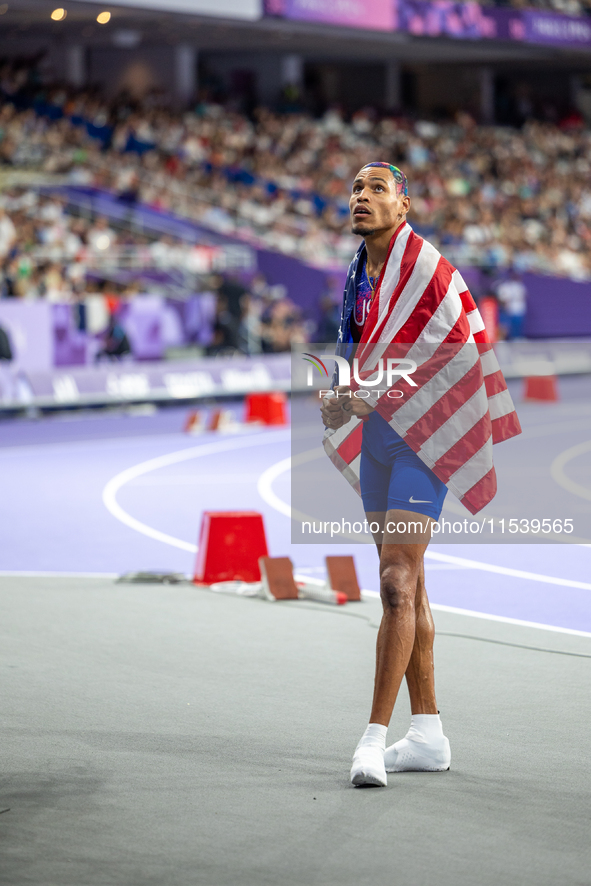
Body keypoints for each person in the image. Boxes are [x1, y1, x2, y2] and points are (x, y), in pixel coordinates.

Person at [321, 162, 521, 788]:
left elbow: (448, 355)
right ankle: (428, 734)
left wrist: (367, 391)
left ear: (403, 207)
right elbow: (359, 351)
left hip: (426, 438)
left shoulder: (427, 269)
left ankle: (371, 740)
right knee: (410, 589)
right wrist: (340, 392)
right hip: (381, 438)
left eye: (377, 189)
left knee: (394, 581)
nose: (362, 197)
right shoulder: (359, 274)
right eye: (356, 188)